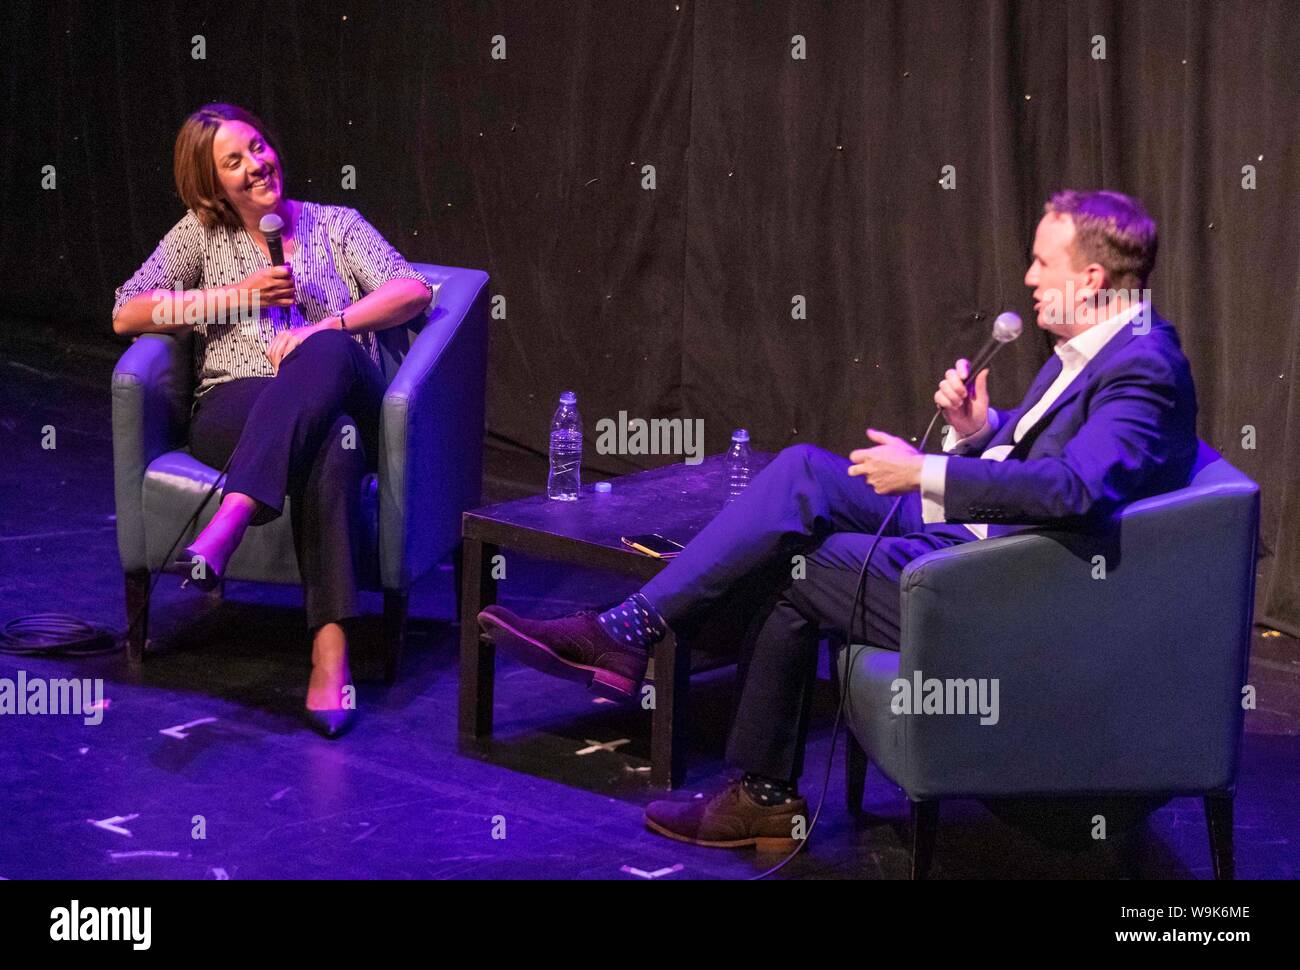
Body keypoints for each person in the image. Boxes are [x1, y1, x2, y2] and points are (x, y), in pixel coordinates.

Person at [478, 189, 1198, 849]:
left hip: (1012, 585)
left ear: (1094, 279)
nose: (1030, 278)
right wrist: (981, 429)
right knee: (801, 474)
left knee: (801, 567)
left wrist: (929, 472)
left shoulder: (1142, 367)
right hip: (991, 533)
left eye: (1044, 263)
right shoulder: (1097, 348)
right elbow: (1059, 449)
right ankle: (628, 634)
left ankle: (741, 770)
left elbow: (1078, 489)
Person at [112, 103, 437, 738]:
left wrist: (324, 328)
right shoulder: (199, 237)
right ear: (212, 185)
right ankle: (329, 657)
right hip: (237, 404)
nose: (257, 164)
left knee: (329, 353)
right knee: (331, 451)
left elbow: (412, 289)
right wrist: (238, 297)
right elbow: (128, 312)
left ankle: (233, 513)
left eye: (258, 147)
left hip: (348, 390)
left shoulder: (335, 225)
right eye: (234, 161)